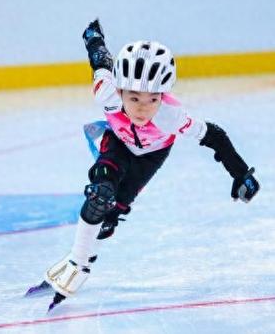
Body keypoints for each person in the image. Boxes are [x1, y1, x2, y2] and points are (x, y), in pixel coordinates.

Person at [30, 19, 260, 311]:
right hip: (117, 143)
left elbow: (214, 136)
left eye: (153, 99)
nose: (142, 107)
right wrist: (93, 37)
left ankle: (86, 252)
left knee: (110, 216)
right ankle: (78, 263)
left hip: (151, 155)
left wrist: (240, 173)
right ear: (119, 91)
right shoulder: (106, 91)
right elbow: (100, 60)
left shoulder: (171, 116)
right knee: (100, 194)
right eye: (134, 97)